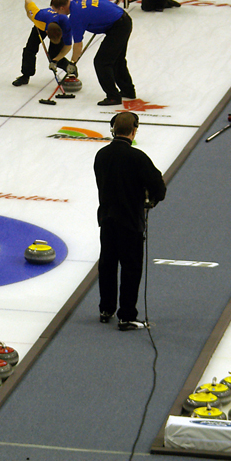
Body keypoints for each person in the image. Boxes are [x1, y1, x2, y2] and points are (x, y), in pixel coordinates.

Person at [93, 111, 166, 331]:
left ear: (113, 128)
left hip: (107, 219)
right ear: (134, 130)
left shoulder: (101, 155)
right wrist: (150, 200)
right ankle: (126, 315)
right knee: (131, 268)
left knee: (107, 265)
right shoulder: (137, 157)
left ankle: (106, 309)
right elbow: (159, 187)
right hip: (130, 222)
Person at [49, 0, 134, 106]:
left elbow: (78, 45)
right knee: (117, 59)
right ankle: (128, 91)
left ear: (62, 8)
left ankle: (113, 97)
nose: (58, 14)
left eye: (57, 11)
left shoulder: (76, 17)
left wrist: (72, 63)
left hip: (118, 27)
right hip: (123, 20)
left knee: (101, 62)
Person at [12, 0, 71, 86]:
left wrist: (55, 60)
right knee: (30, 49)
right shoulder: (37, 16)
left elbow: (68, 46)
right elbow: (27, 0)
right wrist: (29, 15)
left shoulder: (66, 26)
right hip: (40, 24)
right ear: (47, 32)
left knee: (54, 54)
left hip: (55, 26)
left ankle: (70, 69)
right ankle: (26, 75)